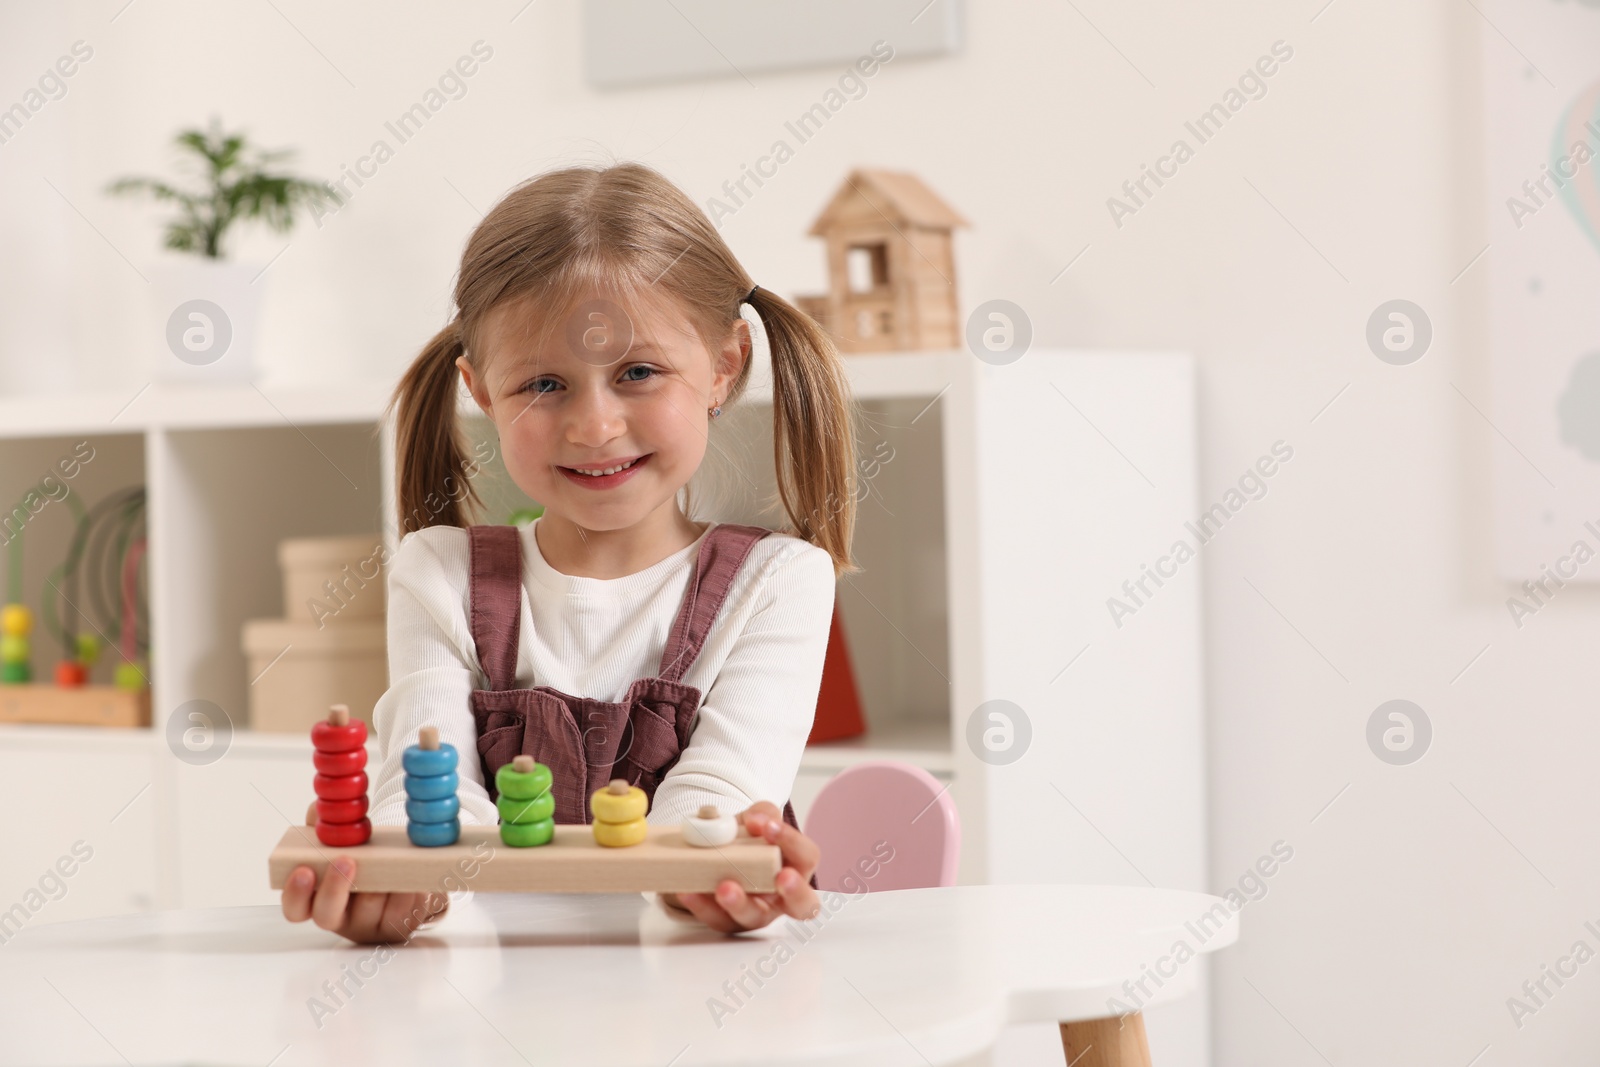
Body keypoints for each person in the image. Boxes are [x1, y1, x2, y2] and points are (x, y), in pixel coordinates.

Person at [281, 161, 860, 944]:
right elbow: (427, 790)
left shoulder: (780, 580)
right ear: (481, 390)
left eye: (639, 372)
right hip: (484, 992)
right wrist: (404, 883)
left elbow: (717, 794)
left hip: (699, 989)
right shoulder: (439, 574)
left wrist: (711, 881)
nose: (593, 425)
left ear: (723, 366)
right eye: (544, 384)